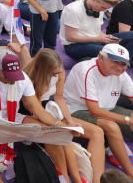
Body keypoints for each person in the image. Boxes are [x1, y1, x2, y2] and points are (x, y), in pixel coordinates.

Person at [64, 43, 133, 181]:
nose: (120, 68)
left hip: (107, 107)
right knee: (111, 126)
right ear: (101, 57)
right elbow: (95, 111)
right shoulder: (86, 69)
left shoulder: (121, 74)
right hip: (76, 110)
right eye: (115, 62)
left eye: (123, 64)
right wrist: (130, 121)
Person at [0, 50, 64, 183]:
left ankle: (63, 178)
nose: (13, 79)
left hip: (11, 117)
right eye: (8, 75)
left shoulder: (22, 78)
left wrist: (59, 125)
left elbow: (38, 110)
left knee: (50, 131)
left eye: (15, 74)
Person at [22, 49, 105, 183]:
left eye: (59, 71)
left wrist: (69, 121)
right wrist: (61, 125)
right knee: (60, 135)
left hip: (49, 110)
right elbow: (37, 111)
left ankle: (96, 180)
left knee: (97, 132)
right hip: (31, 114)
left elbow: (59, 98)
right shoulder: (28, 80)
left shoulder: (59, 72)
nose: (58, 74)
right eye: (54, 73)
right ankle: (69, 179)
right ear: (43, 70)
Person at [60, 0, 133, 61]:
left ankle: (120, 61)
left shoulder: (99, 8)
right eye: (103, 7)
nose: (103, 11)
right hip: (74, 46)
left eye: (106, 9)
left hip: (95, 40)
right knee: (111, 51)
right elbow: (70, 37)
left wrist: (107, 38)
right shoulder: (74, 9)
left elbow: (96, 31)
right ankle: (118, 62)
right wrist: (98, 39)